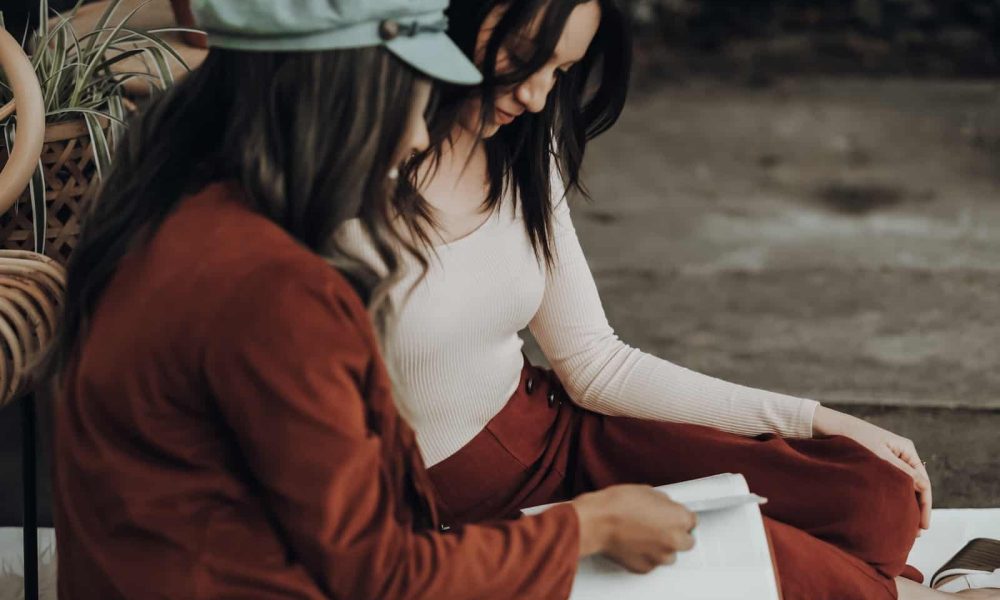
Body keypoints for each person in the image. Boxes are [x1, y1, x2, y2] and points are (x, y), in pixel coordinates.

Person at [337, 1, 1000, 599]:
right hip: (461, 512)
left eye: (561, 72)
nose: (539, 96)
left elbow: (595, 363)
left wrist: (816, 420)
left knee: (873, 497)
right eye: (525, 62)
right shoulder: (333, 192)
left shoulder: (517, 148)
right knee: (771, 560)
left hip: (557, 432)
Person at [41, 1, 703, 597]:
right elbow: (382, 576)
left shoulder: (169, 215)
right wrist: (587, 526)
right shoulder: (276, 290)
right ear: (342, 97)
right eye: (412, 103)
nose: (420, 138)